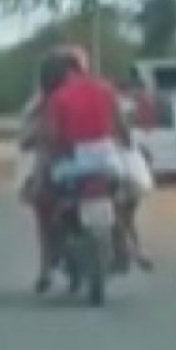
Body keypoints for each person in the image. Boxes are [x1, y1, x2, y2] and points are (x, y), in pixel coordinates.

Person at [34, 46, 134, 287]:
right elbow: (122, 127)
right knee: (120, 197)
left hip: (72, 164)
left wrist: (52, 153)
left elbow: (51, 137)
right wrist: (127, 144)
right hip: (107, 160)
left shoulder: (57, 97)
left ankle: (52, 254)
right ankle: (124, 245)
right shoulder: (106, 89)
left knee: (48, 199)